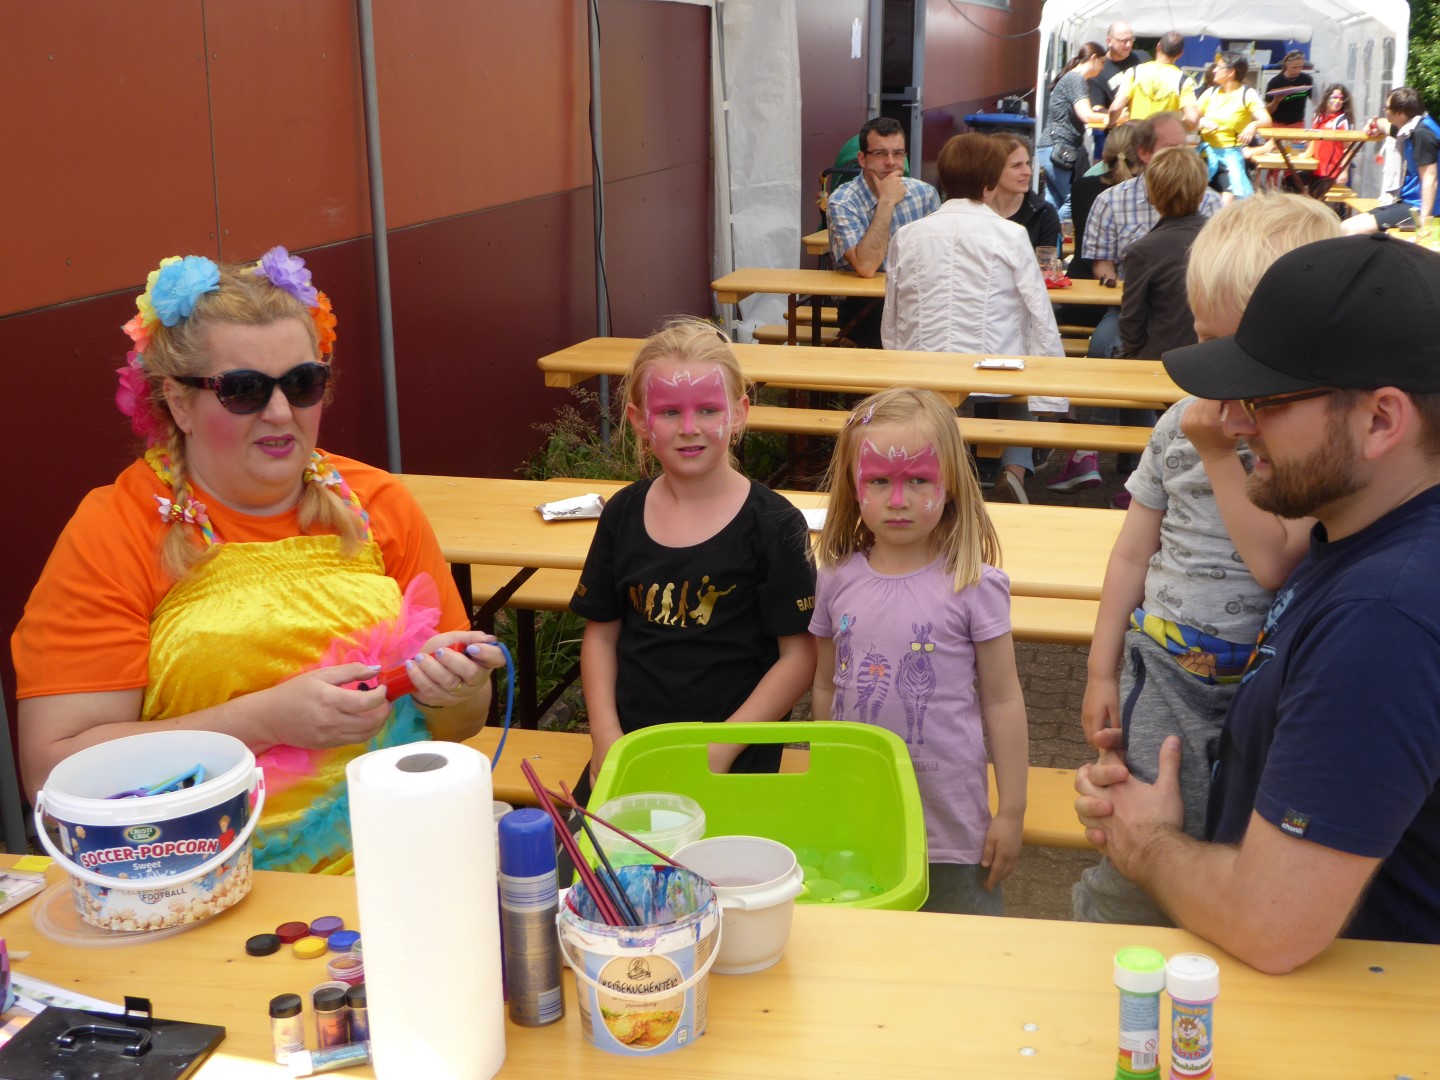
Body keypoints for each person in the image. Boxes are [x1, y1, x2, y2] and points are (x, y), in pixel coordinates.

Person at [11, 249, 504, 874]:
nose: (279, 413)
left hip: (394, 856)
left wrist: (456, 691)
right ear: (178, 403)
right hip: (193, 876)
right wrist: (263, 721)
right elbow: (53, 772)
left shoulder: (379, 503)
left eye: (302, 384)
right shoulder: (116, 529)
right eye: (243, 390)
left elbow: (460, 725)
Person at [1075, 233, 1440, 969]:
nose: (1235, 423)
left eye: (1267, 400)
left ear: (1380, 420)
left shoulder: (1383, 617)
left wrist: (1147, 840)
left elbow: (1270, 923)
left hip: (1351, 1014)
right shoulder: (1358, 536)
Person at [1073, 194, 1340, 926]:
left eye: (1233, 349)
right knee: (1135, 816)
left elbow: (1275, 562)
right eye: (1203, 340)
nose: (1211, 373)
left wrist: (1221, 453)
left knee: (1236, 830)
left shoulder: (1305, 445)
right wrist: (1100, 669)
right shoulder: (1177, 425)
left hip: (1260, 675)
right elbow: (1132, 551)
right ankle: (1109, 929)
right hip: (1166, 664)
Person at [570, 318, 816, 801]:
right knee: (585, 853)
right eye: (669, 412)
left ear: (739, 413)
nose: (689, 428)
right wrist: (605, 736)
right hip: (632, 752)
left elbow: (799, 656)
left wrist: (720, 750)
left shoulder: (775, 524)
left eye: (708, 409)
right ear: (640, 420)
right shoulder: (622, 514)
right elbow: (601, 635)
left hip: (734, 760)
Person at [810, 387, 1027, 915]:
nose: (898, 499)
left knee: (962, 954)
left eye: (919, 481)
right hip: (861, 817)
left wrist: (1012, 810)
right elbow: (825, 685)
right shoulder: (835, 578)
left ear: (949, 485)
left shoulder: (974, 585)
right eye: (879, 481)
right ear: (854, 485)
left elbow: (1003, 700)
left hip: (951, 832)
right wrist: (828, 777)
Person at [882, 133, 1064, 504]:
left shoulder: (908, 235)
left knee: (933, 402)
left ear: (943, 180)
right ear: (990, 182)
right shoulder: (1012, 235)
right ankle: (1013, 470)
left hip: (925, 368)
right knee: (1021, 376)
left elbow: (892, 312)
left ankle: (939, 476)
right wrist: (1051, 393)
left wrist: (898, 368)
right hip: (995, 370)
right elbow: (1039, 311)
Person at [827, 116, 942, 345]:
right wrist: (887, 201)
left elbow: (938, 258)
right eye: (880, 154)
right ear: (862, 159)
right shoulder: (842, 201)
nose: (890, 162)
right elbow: (867, 266)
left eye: (897, 153)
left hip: (918, 302)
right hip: (866, 310)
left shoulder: (925, 194)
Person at [1115, 146, 1211, 361]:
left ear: (1151, 196)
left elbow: (1131, 327)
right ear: (1202, 192)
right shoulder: (1224, 237)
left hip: (1161, 360)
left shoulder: (1143, 251)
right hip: (1214, 357)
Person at [1342, 87, 1440, 236]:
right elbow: (1385, 125)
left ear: (1400, 113)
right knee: (1347, 228)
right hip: (1409, 203)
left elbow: (1430, 179)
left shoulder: (1422, 134)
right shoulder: (1411, 126)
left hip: (1420, 208)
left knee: (1349, 229)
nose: (1384, 110)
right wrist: (1374, 125)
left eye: (1387, 108)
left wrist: (1424, 221)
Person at [1037, 41, 1108, 213]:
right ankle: (1059, 229)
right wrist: (1112, 118)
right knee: (1074, 199)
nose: (1103, 68)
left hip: (1053, 147)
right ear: (1093, 59)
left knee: (1053, 203)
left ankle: (1051, 230)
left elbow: (1087, 111)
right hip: (1058, 148)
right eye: (1102, 62)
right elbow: (1086, 115)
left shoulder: (1074, 78)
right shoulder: (1076, 79)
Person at [1197, 52, 1272, 204]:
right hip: (1205, 155)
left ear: (1231, 72)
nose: (1214, 70)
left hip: (1230, 157)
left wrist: (1253, 125)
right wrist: (1203, 121)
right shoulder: (1210, 93)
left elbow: (1266, 120)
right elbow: (1190, 119)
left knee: (1231, 198)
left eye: (1218, 67)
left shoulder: (1247, 94)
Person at [1108, 32, 1199, 131]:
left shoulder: (1135, 72)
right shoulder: (1183, 80)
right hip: (1164, 137)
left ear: (1158, 46)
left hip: (1137, 134)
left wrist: (1111, 123)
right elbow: (1192, 119)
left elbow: (1116, 107)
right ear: (1180, 54)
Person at [986, 135, 1062, 252]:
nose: (1028, 172)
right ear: (993, 169)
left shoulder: (1044, 214)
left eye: (1027, 164)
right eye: (1016, 165)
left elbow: (1049, 261)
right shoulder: (972, 210)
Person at [1090, 21, 1151, 156]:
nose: (1128, 45)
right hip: (1118, 138)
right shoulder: (1099, 69)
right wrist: (1116, 115)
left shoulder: (1143, 58)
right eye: (1123, 41)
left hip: (1146, 132)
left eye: (1131, 39)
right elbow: (1096, 108)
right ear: (1109, 41)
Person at [1312, 83, 1356, 184]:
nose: (1338, 101)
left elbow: (1347, 149)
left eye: (1341, 99)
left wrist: (1344, 171)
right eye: (1335, 97)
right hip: (1316, 170)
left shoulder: (1342, 120)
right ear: (1326, 97)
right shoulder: (1318, 117)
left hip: (1334, 174)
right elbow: (1312, 141)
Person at [1263, 51, 1313, 129]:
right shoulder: (1275, 82)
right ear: (1287, 65)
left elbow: (1316, 99)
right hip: (1277, 124)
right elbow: (1267, 111)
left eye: (1300, 67)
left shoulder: (1306, 79)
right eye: (1294, 67)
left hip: (1297, 123)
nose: (1297, 70)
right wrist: (1276, 100)